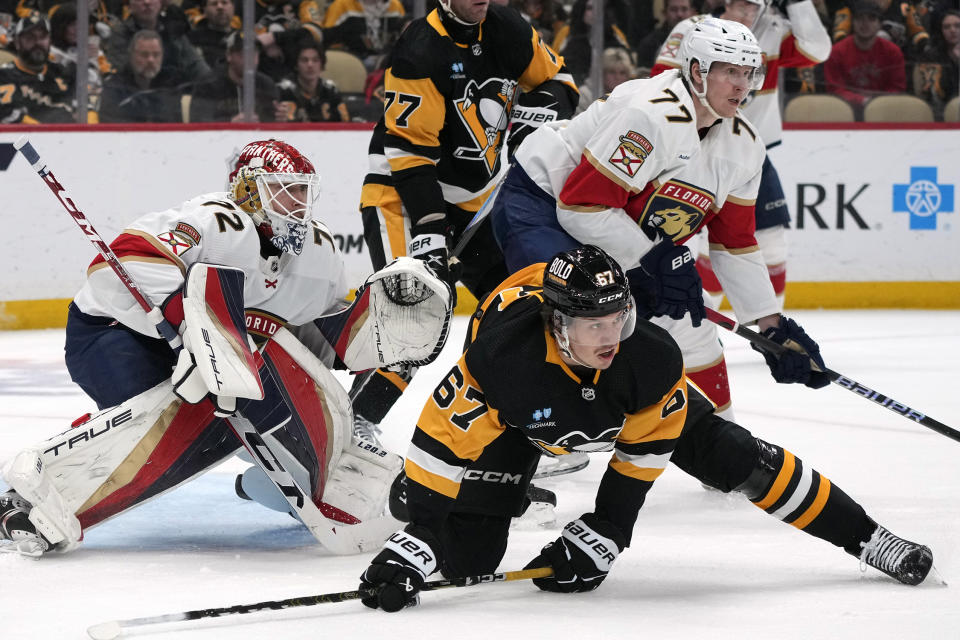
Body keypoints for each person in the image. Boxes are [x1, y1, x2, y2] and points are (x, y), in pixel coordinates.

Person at [358, 245, 933, 612]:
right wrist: (420, 540)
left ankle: (869, 538)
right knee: (465, 561)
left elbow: (642, 453)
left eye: (618, 317)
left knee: (738, 457)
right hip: (521, 423)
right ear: (557, 323)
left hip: (615, 401)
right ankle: (418, 514)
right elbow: (438, 448)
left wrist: (608, 529)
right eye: (593, 323)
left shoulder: (647, 357)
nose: (611, 335)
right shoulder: (501, 361)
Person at [0, 139, 453, 557]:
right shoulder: (217, 221)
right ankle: (34, 486)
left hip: (215, 361)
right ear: (249, 191)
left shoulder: (318, 249)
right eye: (283, 191)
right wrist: (190, 324)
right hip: (116, 333)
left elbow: (316, 341)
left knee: (241, 428)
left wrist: (371, 339)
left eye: (301, 192)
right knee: (166, 415)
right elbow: (120, 262)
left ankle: (265, 485)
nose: (296, 204)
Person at [490, 17, 829, 428]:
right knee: (572, 313)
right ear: (698, 71)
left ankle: (727, 451)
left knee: (692, 330)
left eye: (748, 73)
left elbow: (734, 242)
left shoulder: (746, 145)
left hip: (617, 229)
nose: (743, 86)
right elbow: (580, 206)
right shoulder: (649, 116)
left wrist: (771, 324)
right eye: (730, 72)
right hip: (542, 203)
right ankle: (530, 437)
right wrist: (654, 260)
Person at [351, 0, 579, 447]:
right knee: (414, 309)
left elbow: (561, 82)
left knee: (518, 308)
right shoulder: (419, 50)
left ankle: (511, 430)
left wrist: (538, 109)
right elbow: (411, 154)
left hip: (478, 202)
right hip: (404, 196)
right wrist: (431, 229)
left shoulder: (507, 28)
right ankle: (353, 421)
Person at [652, 0, 831, 313]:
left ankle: (772, 328)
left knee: (772, 241)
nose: (750, 10)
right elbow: (660, 79)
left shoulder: (773, 31)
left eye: (755, 4)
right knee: (697, 244)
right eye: (744, 3)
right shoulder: (694, 27)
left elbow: (819, 51)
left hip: (749, 154)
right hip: (693, 149)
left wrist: (799, 4)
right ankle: (700, 325)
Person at [824, 0, 906, 111]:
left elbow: (897, 89)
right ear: (852, 22)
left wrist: (877, 103)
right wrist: (863, 101)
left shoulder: (893, 52)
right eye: (859, 18)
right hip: (845, 112)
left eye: (871, 19)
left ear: (879, 24)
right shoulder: (837, 52)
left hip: (884, 110)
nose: (865, 23)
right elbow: (835, 89)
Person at [104, 0, 210, 83]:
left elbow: (195, 64)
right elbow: (122, 70)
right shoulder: (120, 34)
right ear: (129, 5)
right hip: (135, 96)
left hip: (172, 95)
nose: (147, 2)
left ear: (161, 3)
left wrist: (212, 82)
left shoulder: (171, 29)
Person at [189, 31, 284, 122]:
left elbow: (272, 124)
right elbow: (198, 120)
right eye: (243, 54)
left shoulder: (266, 85)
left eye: (253, 53)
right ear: (229, 55)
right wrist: (230, 124)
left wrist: (280, 118)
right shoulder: (208, 84)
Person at [0, 12, 75, 124]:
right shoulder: (4, 76)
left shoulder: (65, 74)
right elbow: (5, 113)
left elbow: (86, 106)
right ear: (17, 43)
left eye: (42, 37)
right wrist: (41, 130)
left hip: (70, 139)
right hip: (21, 140)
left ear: (50, 41)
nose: (37, 43)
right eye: (30, 37)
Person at [98, 29, 184, 122]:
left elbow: (176, 128)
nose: (151, 60)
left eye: (156, 55)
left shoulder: (170, 87)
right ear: (131, 56)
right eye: (144, 55)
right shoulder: (114, 88)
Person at [276, 40, 350, 121]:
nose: (310, 65)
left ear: (322, 65)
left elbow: (345, 124)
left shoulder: (331, 90)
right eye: (304, 60)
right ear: (296, 65)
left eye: (315, 60)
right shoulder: (282, 91)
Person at [321, 0, 406, 70]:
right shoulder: (342, 5)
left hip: (387, 61)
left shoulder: (395, 6)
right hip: (354, 61)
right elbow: (327, 39)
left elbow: (404, 38)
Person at [186, 0, 237, 69]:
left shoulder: (242, 39)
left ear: (233, 7)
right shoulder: (191, 40)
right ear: (205, 10)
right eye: (214, 4)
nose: (220, 7)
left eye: (224, 3)